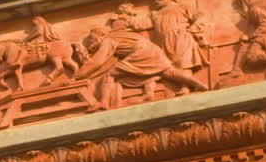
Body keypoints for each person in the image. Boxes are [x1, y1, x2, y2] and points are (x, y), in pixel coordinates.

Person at [74, 26, 207, 110]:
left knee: (111, 74)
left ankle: (103, 103)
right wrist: (89, 74)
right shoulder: (120, 35)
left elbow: (98, 61)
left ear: (99, 35)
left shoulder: (108, 40)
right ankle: (198, 84)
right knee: (167, 72)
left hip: (139, 53)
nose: (92, 43)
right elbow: (107, 63)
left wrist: (77, 76)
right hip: (152, 50)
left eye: (92, 39)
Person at [149, 0, 206, 70]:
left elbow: (200, 17)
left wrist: (192, 30)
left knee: (183, 67)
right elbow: (141, 24)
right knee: (168, 72)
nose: (157, 1)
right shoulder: (155, 14)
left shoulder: (182, 7)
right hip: (161, 44)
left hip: (180, 40)